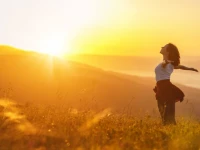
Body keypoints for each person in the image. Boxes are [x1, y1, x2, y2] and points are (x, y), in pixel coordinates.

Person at [153, 43, 198, 125]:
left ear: (168, 51)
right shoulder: (166, 63)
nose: (162, 47)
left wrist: (191, 69)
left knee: (168, 115)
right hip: (160, 87)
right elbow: (180, 66)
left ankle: (171, 129)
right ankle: (168, 129)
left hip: (166, 87)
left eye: (164, 46)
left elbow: (178, 66)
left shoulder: (169, 63)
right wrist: (190, 68)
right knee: (163, 114)